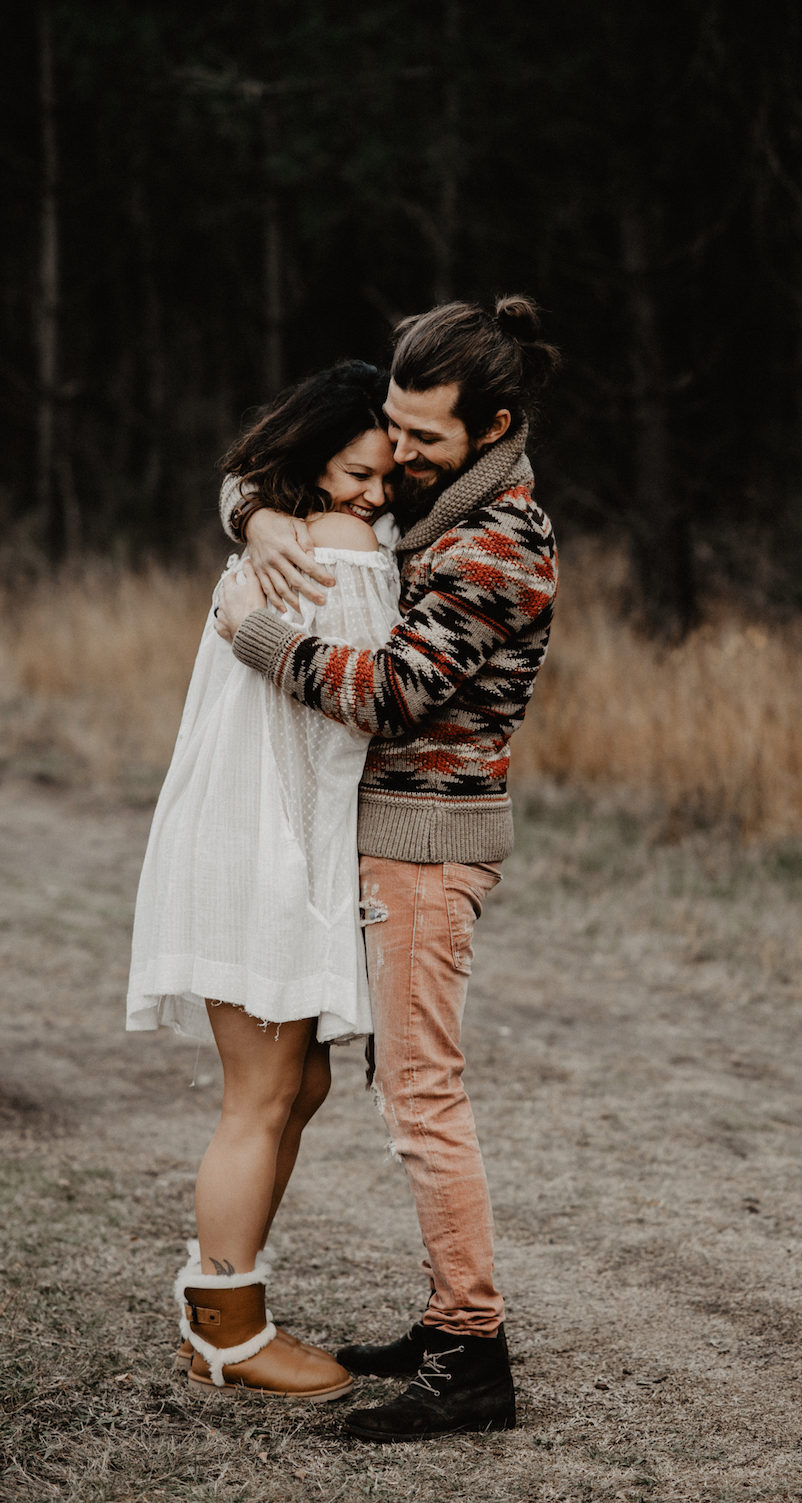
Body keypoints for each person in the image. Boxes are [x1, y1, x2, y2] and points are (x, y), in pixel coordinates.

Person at [215, 294, 559, 1440]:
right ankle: (444, 1321)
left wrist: (252, 628)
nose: (398, 458)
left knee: (422, 1099)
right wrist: (256, 518)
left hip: (427, 848)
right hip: (384, 841)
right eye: (395, 434)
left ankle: (471, 1356)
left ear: (494, 423)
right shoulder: (438, 495)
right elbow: (281, 460)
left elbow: (385, 692)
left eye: (422, 439)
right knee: (406, 1091)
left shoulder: (501, 540)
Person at [127, 361, 401, 1401]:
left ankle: (235, 1305)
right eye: (356, 471)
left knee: (302, 1082)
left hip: (254, 831)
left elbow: (243, 485)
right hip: (262, 844)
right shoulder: (339, 546)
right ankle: (226, 1329)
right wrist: (268, 518)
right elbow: (374, 694)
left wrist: (253, 514)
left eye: (385, 479)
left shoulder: (287, 523)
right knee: (262, 1092)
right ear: (311, 457)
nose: (374, 495)